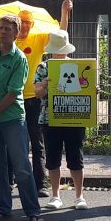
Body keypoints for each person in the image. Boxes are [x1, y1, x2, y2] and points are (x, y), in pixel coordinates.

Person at [0, 13, 43, 221]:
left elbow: (13, 93)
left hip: (12, 118)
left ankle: (33, 210)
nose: (3, 31)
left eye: (8, 28)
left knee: (22, 165)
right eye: (1, 27)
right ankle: (3, 208)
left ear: (16, 33)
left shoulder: (19, 59)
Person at [17, 0, 72, 194]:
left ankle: (40, 184)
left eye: (27, 23)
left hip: (34, 97)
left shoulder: (37, 39)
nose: (24, 26)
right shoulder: (7, 41)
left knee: (37, 143)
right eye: (21, 22)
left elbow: (60, 37)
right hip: (13, 98)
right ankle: (9, 181)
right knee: (14, 142)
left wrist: (64, 12)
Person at [33, 29, 87, 210]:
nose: (59, 52)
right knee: (53, 159)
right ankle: (55, 195)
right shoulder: (43, 67)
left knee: (76, 158)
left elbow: (86, 90)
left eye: (61, 48)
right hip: (50, 119)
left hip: (74, 118)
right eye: (57, 49)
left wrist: (91, 91)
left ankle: (79, 196)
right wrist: (45, 84)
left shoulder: (79, 67)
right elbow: (37, 93)